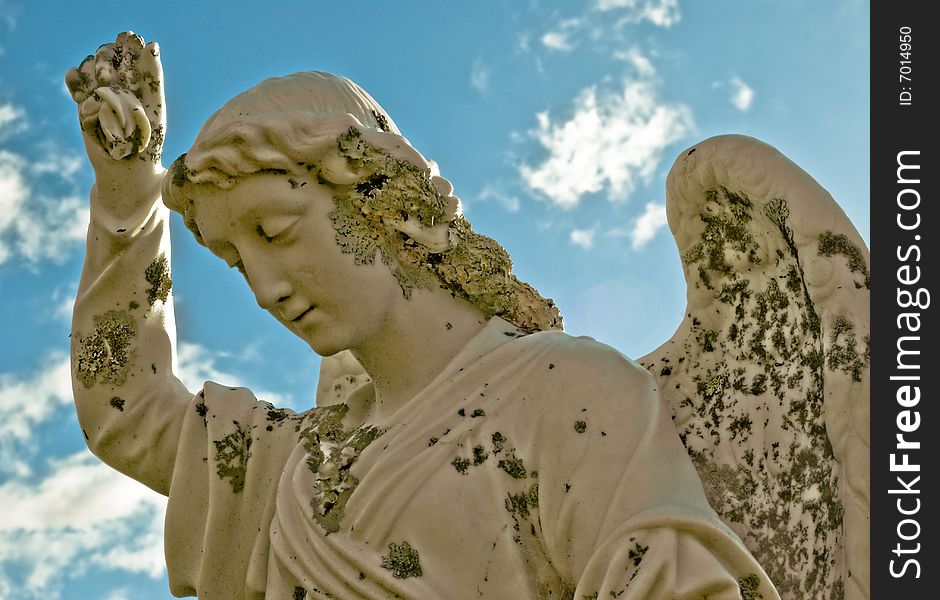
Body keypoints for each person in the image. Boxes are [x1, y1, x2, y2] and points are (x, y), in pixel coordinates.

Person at [67, 32, 779, 599]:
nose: (263, 287)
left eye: (276, 233)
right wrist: (127, 203)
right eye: (234, 261)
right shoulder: (291, 467)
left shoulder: (564, 393)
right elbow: (125, 408)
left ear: (374, 197)